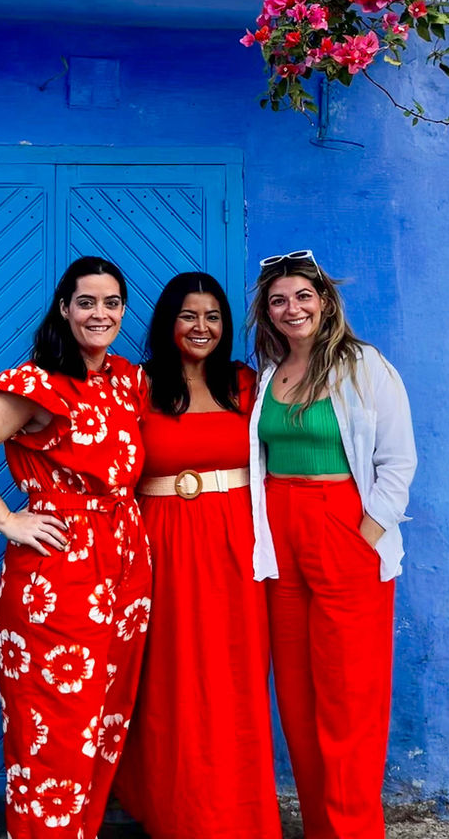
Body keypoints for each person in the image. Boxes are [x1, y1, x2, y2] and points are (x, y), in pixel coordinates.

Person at [0, 256, 151, 839]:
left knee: (105, 719)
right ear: (64, 308)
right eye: (86, 302)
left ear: (123, 311)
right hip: (60, 577)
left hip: (126, 572)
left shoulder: (127, 382)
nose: (99, 313)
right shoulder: (37, 383)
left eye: (111, 303)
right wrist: (8, 520)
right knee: (53, 725)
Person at [248, 251, 416, 839]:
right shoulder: (268, 376)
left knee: (350, 697)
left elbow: (398, 461)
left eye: (302, 296)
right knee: (296, 697)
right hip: (280, 538)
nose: (291, 309)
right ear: (266, 313)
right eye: (278, 300)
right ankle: (322, 827)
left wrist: (363, 537)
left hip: (342, 527)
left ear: (324, 301)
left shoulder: (365, 366)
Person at [115, 272, 282, 839]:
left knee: (236, 676)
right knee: (172, 681)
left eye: (213, 316)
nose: (202, 326)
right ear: (169, 322)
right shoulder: (138, 386)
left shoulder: (245, 384)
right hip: (162, 542)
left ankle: (239, 816)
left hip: (237, 542)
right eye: (190, 315)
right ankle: (178, 815)